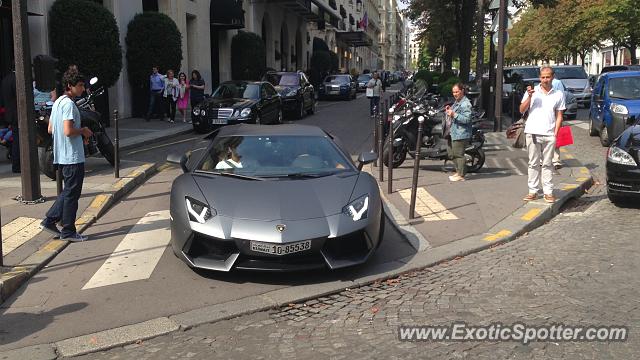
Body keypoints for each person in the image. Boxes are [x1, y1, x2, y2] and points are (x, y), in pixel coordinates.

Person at [40, 68, 93, 241]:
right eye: (80, 85)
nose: (83, 89)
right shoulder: (69, 104)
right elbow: (68, 130)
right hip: (72, 156)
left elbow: (50, 129)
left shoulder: (57, 103)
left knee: (68, 191)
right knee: (72, 194)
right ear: (70, 86)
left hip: (62, 155)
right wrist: (83, 131)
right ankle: (68, 230)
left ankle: (50, 220)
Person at [520, 66, 565, 203]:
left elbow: (559, 115)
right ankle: (532, 191)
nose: (545, 80)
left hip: (549, 133)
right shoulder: (532, 92)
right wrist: (529, 96)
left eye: (548, 77)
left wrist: (555, 134)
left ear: (552, 77)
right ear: (540, 77)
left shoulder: (558, 94)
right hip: (532, 131)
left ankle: (548, 192)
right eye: (543, 77)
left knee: (547, 164)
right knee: (533, 163)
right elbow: (522, 109)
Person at [444, 83, 473, 182]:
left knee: (458, 154)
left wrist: (454, 114)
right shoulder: (457, 101)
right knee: (451, 153)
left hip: (461, 133)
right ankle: (458, 171)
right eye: (453, 92)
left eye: (457, 92)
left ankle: (461, 174)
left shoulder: (466, 103)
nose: (455, 94)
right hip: (453, 131)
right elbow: (453, 111)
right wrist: (449, 110)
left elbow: (467, 119)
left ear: (462, 91)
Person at [1, 69, 20, 173]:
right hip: (17, 114)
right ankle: (17, 165)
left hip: (9, 113)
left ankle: (16, 163)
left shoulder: (6, 79)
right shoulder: (17, 79)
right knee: (18, 140)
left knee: (16, 139)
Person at [551, 77, 565, 170]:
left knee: (555, 136)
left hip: (554, 112)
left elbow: (561, 96)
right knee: (556, 137)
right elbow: (562, 96)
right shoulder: (558, 82)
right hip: (555, 112)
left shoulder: (557, 82)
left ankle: (543, 159)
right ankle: (556, 160)